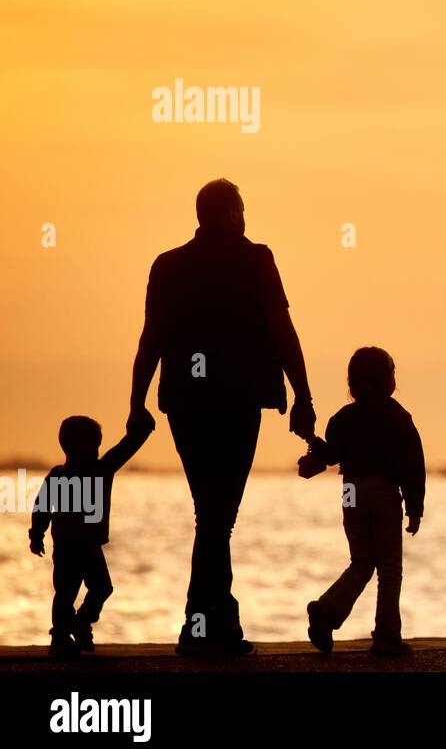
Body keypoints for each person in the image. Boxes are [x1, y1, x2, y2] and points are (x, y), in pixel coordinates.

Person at [127, 179, 316, 655]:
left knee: (211, 513)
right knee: (217, 515)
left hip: (185, 402)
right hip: (237, 400)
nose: (245, 218)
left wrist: (137, 402)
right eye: (242, 210)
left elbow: (152, 337)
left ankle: (215, 623)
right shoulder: (256, 259)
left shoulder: (168, 265)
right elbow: (282, 329)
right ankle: (205, 628)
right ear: (231, 213)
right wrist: (303, 395)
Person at [304, 347, 425, 657]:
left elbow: (331, 454)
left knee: (361, 562)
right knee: (389, 569)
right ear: (388, 381)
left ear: (352, 383)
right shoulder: (398, 418)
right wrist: (414, 508)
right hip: (383, 490)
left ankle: (328, 610)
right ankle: (387, 636)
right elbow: (413, 465)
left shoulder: (342, 419)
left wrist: (312, 442)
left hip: (351, 490)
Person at [29, 413, 155, 656]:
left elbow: (41, 508)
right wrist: (142, 432)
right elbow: (124, 450)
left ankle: (65, 633)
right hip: (84, 546)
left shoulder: (57, 475)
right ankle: (77, 625)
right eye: (94, 445)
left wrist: (37, 534)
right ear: (78, 446)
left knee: (66, 593)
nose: (98, 451)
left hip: (65, 546)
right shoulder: (99, 470)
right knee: (99, 588)